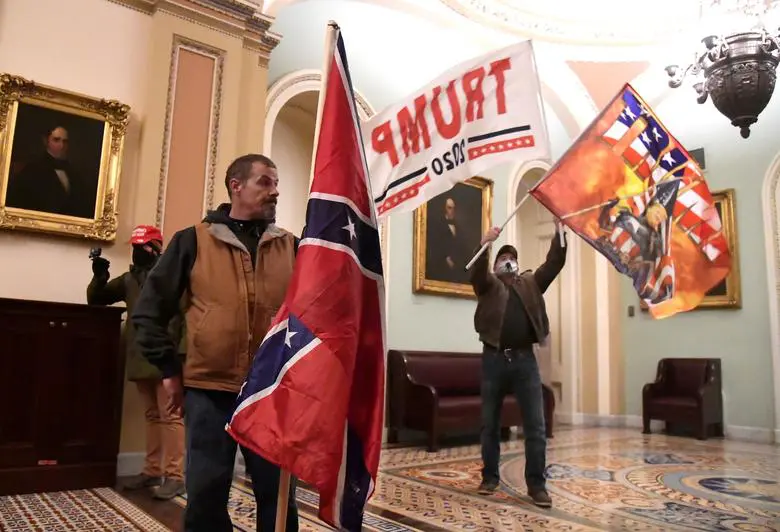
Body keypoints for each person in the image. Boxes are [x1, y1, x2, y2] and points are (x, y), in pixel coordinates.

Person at [131, 154, 299, 532]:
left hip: (272, 394)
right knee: (206, 495)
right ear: (236, 186)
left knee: (279, 498)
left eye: (276, 183)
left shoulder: (292, 247)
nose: (275, 192)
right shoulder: (193, 240)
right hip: (209, 390)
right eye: (265, 182)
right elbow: (149, 311)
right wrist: (170, 370)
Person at [470, 222, 567, 508]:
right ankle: (489, 478)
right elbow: (476, 271)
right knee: (489, 424)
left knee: (536, 426)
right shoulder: (488, 285)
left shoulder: (530, 284)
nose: (507, 262)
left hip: (525, 361)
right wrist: (485, 244)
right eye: (503, 258)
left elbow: (553, 263)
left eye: (511, 258)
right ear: (497, 264)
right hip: (493, 360)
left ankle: (537, 486)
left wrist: (559, 232)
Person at [87, 225, 186, 499]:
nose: (137, 251)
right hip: (140, 356)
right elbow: (96, 299)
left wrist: (180, 356)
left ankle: (175, 476)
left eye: (142, 246)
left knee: (171, 417)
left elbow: (186, 316)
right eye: (134, 246)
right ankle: (152, 470)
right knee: (153, 416)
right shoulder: (129, 279)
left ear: (156, 248)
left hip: (166, 355)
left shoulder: (172, 276)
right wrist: (99, 276)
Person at [7, 125, 96, 218]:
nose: (62, 146)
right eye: (56, 140)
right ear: (46, 141)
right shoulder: (32, 170)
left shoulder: (74, 173)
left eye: (65, 141)